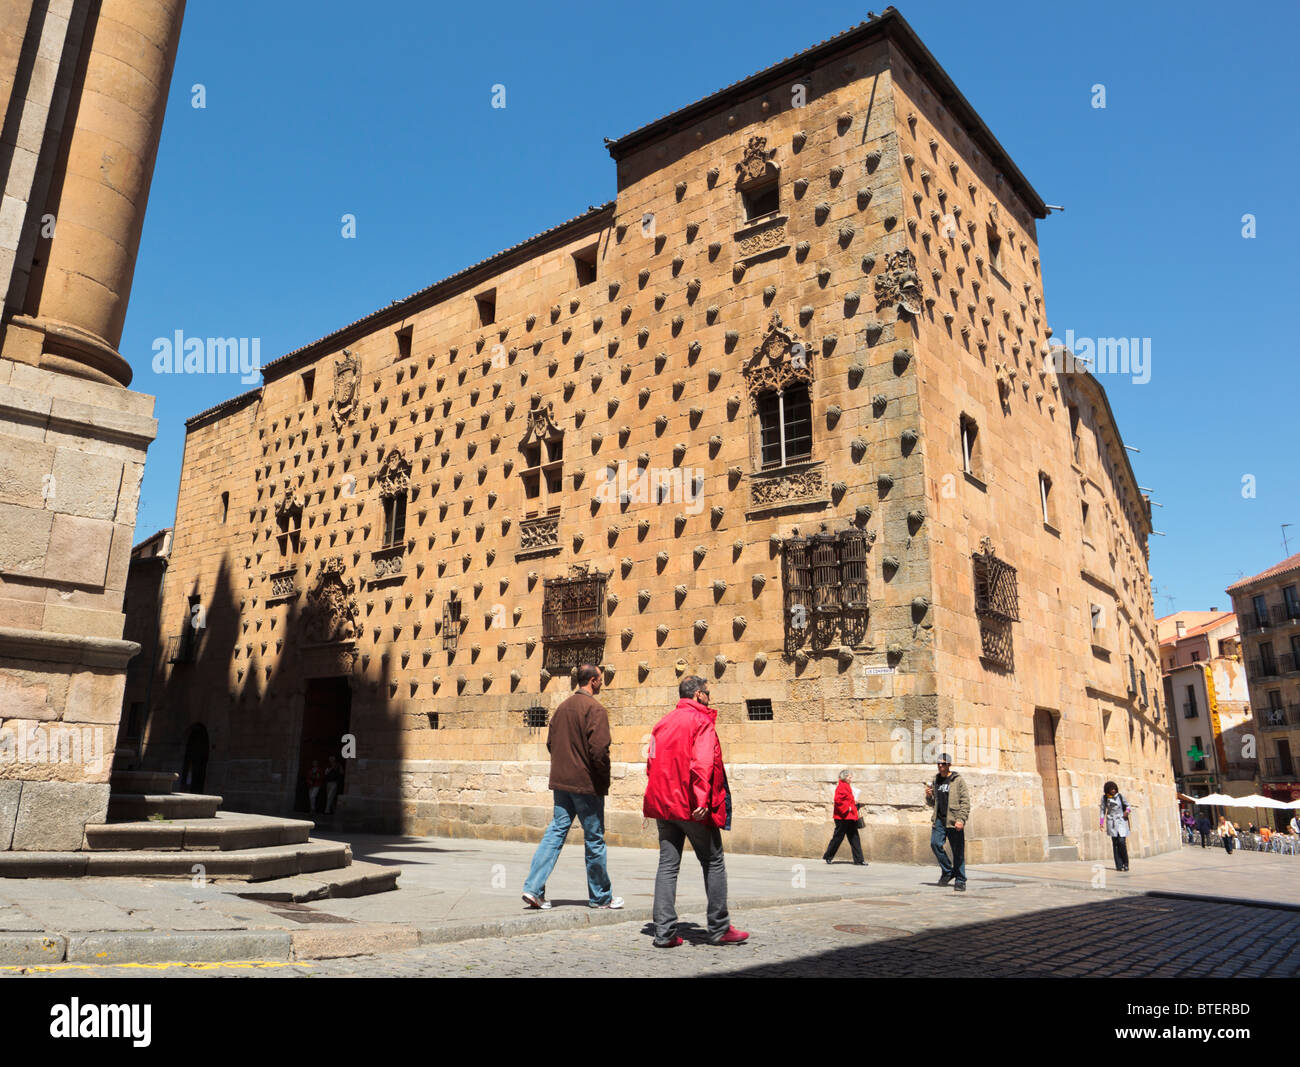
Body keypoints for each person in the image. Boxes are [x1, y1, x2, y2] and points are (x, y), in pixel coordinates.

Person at [643, 676, 748, 947]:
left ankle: (664, 932)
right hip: (692, 806)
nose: (710, 698)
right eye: (708, 694)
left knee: (667, 865)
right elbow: (702, 762)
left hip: (665, 805)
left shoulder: (662, 723)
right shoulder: (701, 721)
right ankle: (719, 927)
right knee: (713, 861)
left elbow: (652, 763)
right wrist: (702, 798)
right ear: (699, 695)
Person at [521, 664, 623, 911]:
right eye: (600, 679)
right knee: (595, 839)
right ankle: (601, 897)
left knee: (555, 833)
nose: (602, 683)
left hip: (562, 783)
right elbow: (599, 751)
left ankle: (533, 889)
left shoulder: (562, 708)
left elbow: (550, 743)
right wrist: (601, 779)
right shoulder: (595, 710)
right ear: (592, 681)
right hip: (586, 784)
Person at [925, 754, 970, 892]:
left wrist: (961, 819)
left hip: (954, 820)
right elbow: (933, 803)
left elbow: (965, 802)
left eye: (943, 764)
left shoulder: (957, 780)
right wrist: (929, 796)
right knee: (935, 843)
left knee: (958, 851)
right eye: (938, 763)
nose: (940, 766)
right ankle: (948, 870)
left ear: (949, 765)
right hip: (939, 819)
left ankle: (960, 880)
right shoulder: (936, 779)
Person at [822, 769, 866, 865]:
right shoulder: (841, 787)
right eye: (849, 777)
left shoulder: (847, 786)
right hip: (842, 817)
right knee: (838, 837)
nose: (851, 779)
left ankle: (859, 859)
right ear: (844, 777)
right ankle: (828, 856)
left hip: (849, 817)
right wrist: (849, 808)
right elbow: (838, 801)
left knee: (854, 837)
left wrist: (855, 803)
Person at [1099, 780, 1131, 872]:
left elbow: (1128, 806)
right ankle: (1119, 865)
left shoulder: (1120, 796)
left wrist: (1126, 811)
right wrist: (1101, 822)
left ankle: (1126, 863)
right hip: (1112, 823)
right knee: (1115, 844)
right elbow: (1102, 810)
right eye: (1111, 789)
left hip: (1121, 821)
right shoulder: (1105, 798)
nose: (1113, 790)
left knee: (1122, 842)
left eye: (1114, 788)